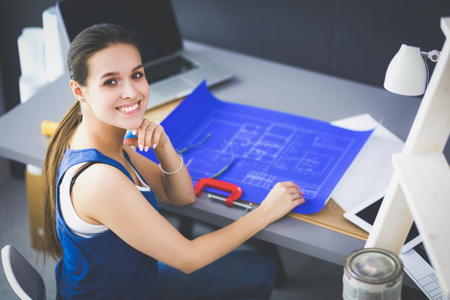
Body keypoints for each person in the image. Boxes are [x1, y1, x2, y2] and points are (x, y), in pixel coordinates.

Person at [42, 23, 305, 300]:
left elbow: (182, 196)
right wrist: (265, 213)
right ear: (79, 90)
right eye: (111, 81)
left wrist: (164, 145)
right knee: (257, 270)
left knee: (258, 267)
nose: (131, 92)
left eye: (137, 74)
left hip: (135, 282)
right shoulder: (100, 180)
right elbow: (188, 259)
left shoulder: (100, 138)